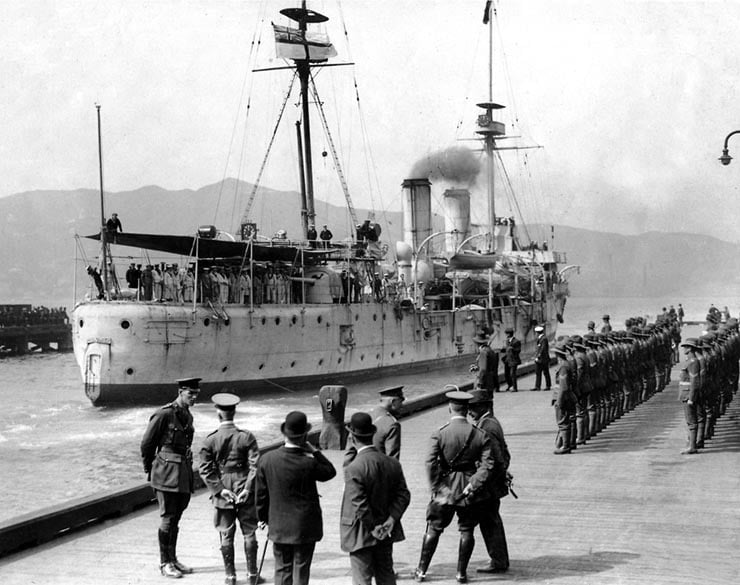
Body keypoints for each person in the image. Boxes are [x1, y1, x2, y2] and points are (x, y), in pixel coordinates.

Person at [413, 389, 494, 583]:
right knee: (467, 531)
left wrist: (436, 487)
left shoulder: (440, 434)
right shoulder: (480, 434)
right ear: (467, 409)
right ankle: (461, 573)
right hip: (469, 490)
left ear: (450, 408)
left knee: (433, 529)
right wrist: (474, 483)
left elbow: (430, 463)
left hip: (445, 489)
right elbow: (488, 464)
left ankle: (422, 570)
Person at [256, 411, 336, 585]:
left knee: (282, 569)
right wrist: (315, 451)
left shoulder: (266, 460)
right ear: (304, 436)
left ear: (284, 433)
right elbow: (330, 472)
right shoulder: (309, 462)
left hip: (278, 525)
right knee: (301, 569)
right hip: (304, 526)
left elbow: (261, 496)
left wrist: (262, 518)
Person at [140, 377, 201, 578]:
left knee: (176, 517)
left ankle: (173, 559)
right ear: (180, 392)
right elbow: (147, 445)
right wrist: (151, 470)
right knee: (167, 518)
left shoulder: (187, 415)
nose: (193, 398)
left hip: (182, 473)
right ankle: (164, 562)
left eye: (196, 394)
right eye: (190, 394)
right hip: (165, 473)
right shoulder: (164, 414)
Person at [340, 412, 411, 585]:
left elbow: (359, 503)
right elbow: (404, 494)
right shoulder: (392, 463)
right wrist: (391, 519)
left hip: (360, 532)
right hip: (387, 529)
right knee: (386, 574)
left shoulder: (354, 468)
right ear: (373, 435)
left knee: (362, 578)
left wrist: (373, 527)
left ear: (352, 438)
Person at [199, 393, 262, 585]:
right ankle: (252, 575)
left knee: (226, 533)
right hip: (243, 483)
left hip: (223, 485)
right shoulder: (246, 436)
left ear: (218, 414)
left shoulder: (210, 440)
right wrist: (249, 489)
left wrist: (219, 490)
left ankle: (230, 576)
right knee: (249, 531)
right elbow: (255, 465)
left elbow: (204, 469)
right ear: (234, 412)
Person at [467, 390, 510, 574]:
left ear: (484, 406)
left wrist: (486, 481)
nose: (469, 412)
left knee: (489, 521)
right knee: (491, 521)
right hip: (494, 483)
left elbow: (495, 459)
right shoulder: (492, 422)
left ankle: (498, 560)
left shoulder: (486, 427)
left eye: (473, 407)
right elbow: (505, 454)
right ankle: (499, 558)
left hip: (490, 486)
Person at [678, 339, 702, 455]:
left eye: (686, 347)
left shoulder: (693, 362)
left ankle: (692, 446)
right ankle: (690, 443)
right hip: (685, 393)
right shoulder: (689, 361)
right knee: (689, 420)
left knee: (691, 421)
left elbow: (694, 382)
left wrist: (691, 398)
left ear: (690, 348)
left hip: (688, 394)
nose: (684, 349)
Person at [372, 386, 405, 459]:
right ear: (393, 401)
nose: (402, 406)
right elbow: (392, 458)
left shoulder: (365, 416)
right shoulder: (392, 424)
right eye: (401, 402)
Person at [532, 325, 551, 391]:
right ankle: (537, 386)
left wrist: (538, 356)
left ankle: (548, 386)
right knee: (538, 373)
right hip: (541, 359)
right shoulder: (541, 338)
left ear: (537, 332)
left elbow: (543, 349)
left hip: (543, 359)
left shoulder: (543, 339)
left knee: (546, 372)